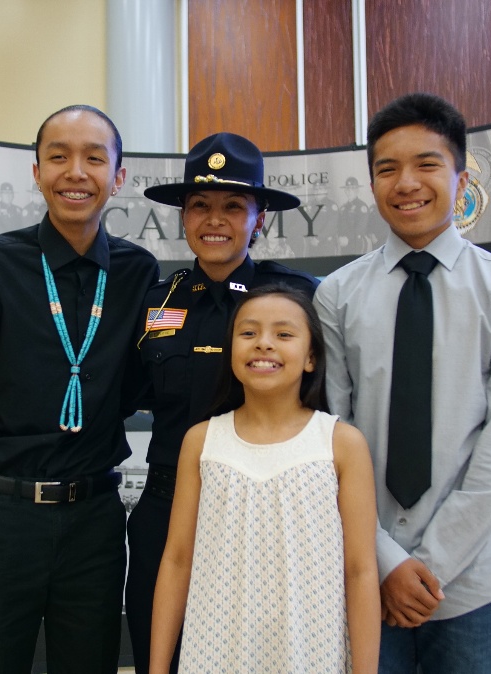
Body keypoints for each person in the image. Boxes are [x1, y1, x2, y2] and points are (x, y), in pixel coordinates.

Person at [0, 104, 159, 673]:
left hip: (95, 522)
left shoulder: (137, 273)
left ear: (118, 176)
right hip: (2, 520)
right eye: (58, 157)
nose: (76, 172)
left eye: (94, 158)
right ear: (37, 172)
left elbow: (139, 387)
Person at [313, 93, 491, 672]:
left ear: (461, 179)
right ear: (372, 184)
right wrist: (387, 562)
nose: (406, 183)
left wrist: (429, 566)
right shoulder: (336, 296)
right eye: (387, 169)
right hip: (365, 568)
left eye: (427, 164)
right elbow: (332, 439)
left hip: (472, 578)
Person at [127, 132, 318, 673]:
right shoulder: (155, 302)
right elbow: (113, 394)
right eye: (200, 205)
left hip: (260, 510)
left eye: (234, 206)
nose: (215, 220)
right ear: (183, 217)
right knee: (159, 654)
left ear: (260, 220)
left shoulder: (296, 300)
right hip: (165, 509)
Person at [149, 285, 380, 673]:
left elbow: (360, 571)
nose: (264, 344)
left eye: (284, 334)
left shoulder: (341, 444)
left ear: (311, 357)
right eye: (248, 332)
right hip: (215, 655)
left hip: (309, 656)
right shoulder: (202, 441)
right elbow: (177, 560)